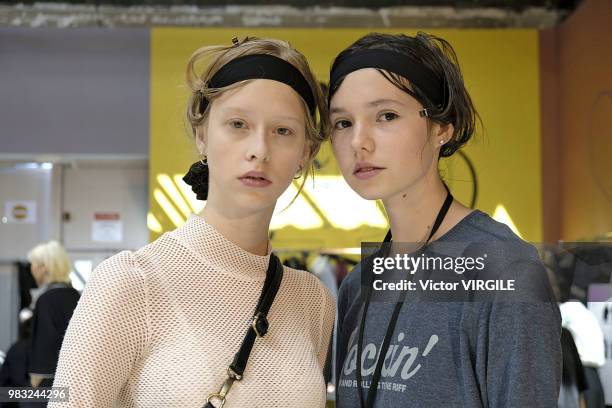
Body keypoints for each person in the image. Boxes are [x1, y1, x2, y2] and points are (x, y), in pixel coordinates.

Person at [50, 37, 335, 407]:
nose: (259, 150)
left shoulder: (313, 300)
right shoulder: (132, 282)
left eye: (283, 131)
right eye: (237, 124)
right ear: (202, 135)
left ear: (305, 154)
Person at [328, 32, 562, 407]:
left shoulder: (503, 270)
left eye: (386, 115)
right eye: (342, 123)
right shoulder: (358, 286)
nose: (359, 141)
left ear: (441, 128)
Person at [25, 241, 80, 388]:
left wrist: (37, 376)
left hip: (50, 381)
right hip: (75, 376)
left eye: (33, 264)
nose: (31, 269)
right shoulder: (76, 296)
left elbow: (45, 339)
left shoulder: (46, 299)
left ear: (44, 268)